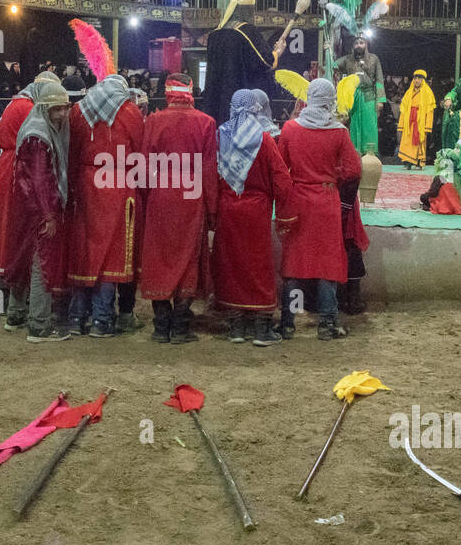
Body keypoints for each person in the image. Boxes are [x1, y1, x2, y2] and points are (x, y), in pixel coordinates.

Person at [277, 78, 361, 341]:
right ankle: (327, 324)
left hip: (298, 200)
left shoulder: (290, 128)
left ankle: (288, 323)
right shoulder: (338, 132)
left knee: (294, 263)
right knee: (327, 263)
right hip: (326, 202)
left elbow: (280, 167)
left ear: (308, 97)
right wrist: (332, 175)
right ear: (330, 99)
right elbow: (354, 169)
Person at [139, 72, 217, 345]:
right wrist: (212, 209)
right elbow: (209, 170)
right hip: (191, 199)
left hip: (160, 198)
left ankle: (161, 326)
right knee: (188, 258)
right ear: (191, 90)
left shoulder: (153, 121)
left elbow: (145, 167)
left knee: (158, 257)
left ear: (168, 92)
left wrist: (147, 197)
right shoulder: (206, 123)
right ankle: (181, 327)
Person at [211, 89, 293, 345]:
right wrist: (285, 214)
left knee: (231, 264)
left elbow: (211, 177)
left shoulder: (220, 136)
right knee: (258, 265)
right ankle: (261, 327)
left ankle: (236, 325)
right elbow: (282, 180)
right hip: (256, 212)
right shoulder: (264, 139)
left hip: (228, 209)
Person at [66, 75, 143, 338]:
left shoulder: (79, 110)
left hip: (86, 184)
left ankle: (77, 317)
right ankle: (102, 320)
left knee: (84, 249)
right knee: (113, 253)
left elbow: (72, 152)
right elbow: (139, 151)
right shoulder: (129, 111)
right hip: (119, 184)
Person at [2, 80, 72, 343]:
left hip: (25, 206)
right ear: (44, 108)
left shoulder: (33, 128)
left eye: (64, 108)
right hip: (38, 208)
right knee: (41, 263)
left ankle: (15, 314)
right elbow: (41, 179)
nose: (62, 114)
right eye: (56, 109)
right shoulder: (40, 135)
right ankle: (39, 325)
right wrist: (49, 215)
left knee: (22, 256)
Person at [0, 73, 60, 318]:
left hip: (8, 166)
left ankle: (8, 302)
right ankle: (23, 307)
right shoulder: (30, 110)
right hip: (20, 171)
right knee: (25, 239)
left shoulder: (15, 102)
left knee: (7, 233)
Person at [343, 42, 386, 155]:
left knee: (369, 125)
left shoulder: (374, 59)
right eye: (356, 43)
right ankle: (355, 153)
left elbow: (379, 79)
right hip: (354, 96)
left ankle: (370, 154)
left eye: (361, 43)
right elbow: (332, 65)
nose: (358, 45)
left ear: (366, 44)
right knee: (354, 124)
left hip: (369, 95)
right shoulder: (348, 59)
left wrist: (380, 100)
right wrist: (328, 50)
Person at [396, 69, 436, 167]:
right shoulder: (408, 93)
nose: (417, 81)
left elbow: (430, 111)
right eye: (415, 78)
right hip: (409, 121)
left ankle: (418, 162)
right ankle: (407, 162)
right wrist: (401, 125)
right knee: (406, 142)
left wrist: (428, 126)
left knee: (419, 142)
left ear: (423, 80)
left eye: (419, 79)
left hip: (420, 122)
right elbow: (403, 110)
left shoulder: (428, 93)